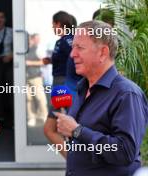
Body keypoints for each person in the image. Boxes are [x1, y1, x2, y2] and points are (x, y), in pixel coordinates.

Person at [55, 20, 148, 176]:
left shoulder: (127, 94)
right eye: (73, 48)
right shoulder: (82, 88)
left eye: (80, 48)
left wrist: (77, 131)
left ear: (103, 53)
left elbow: (125, 152)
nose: (72, 54)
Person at [43, 11, 80, 158]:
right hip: (60, 83)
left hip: (64, 84)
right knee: (61, 125)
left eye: (54, 24)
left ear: (59, 23)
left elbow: (75, 58)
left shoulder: (68, 40)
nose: (53, 27)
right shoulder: (63, 40)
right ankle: (75, 160)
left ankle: (75, 160)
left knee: (61, 124)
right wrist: (51, 61)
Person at [25, 33, 48, 127]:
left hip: (35, 77)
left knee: (40, 97)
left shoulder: (38, 49)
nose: (38, 41)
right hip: (24, 77)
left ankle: (44, 115)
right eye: (37, 39)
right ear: (31, 39)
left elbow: (45, 61)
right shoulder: (23, 49)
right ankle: (31, 117)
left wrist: (29, 63)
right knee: (28, 98)